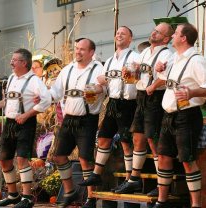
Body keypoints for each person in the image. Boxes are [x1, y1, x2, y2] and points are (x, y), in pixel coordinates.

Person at [152, 23, 206, 208]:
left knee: (188, 160)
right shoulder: (175, 57)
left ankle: (196, 204)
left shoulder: (197, 60)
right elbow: (168, 78)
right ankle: (161, 201)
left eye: (176, 34)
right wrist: (160, 69)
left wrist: (191, 93)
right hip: (169, 115)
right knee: (164, 157)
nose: (172, 36)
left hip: (187, 116)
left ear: (183, 38)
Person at [115, 22, 174, 196]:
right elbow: (135, 70)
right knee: (137, 138)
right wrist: (128, 71)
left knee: (152, 140)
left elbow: (166, 78)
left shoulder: (168, 55)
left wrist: (154, 85)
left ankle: (162, 184)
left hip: (155, 98)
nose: (153, 33)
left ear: (166, 38)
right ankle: (134, 179)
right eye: (154, 31)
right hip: (141, 97)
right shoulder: (145, 52)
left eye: (158, 32)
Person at [78, 26, 139, 192]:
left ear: (130, 39)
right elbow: (103, 87)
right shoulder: (110, 60)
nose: (119, 35)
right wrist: (93, 89)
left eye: (123, 34)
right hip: (112, 102)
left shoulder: (135, 57)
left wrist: (125, 76)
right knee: (104, 138)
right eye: (117, 33)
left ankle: (129, 180)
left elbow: (137, 80)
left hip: (128, 103)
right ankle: (96, 174)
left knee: (126, 142)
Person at [0, 48, 51, 208]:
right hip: (10, 123)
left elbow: (46, 100)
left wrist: (27, 115)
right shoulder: (11, 78)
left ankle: (27, 197)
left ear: (24, 63)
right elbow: (9, 101)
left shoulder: (34, 81)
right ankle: (13, 195)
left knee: (22, 159)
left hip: (26, 123)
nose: (11, 62)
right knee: (4, 160)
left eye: (15, 60)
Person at [49, 38, 105, 208]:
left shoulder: (99, 69)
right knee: (58, 156)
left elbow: (106, 88)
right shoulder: (68, 69)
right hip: (69, 119)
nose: (78, 52)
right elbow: (56, 93)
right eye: (77, 48)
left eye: (82, 49)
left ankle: (91, 198)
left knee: (85, 158)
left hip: (87, 119)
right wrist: (42, 97)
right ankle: (70, 192)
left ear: (91, 52)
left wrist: (98, 88)